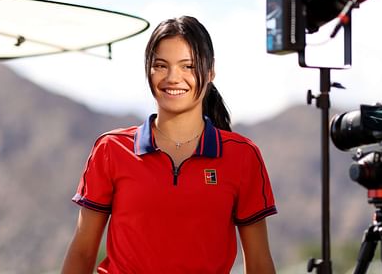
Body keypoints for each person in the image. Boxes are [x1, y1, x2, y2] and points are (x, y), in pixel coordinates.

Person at [61, 16, 277, 273]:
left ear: (210, 71)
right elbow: (82, 251)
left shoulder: (242, 155)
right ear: (148, 70)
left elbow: (260, 263)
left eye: (188, 66)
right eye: (161, 66)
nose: (173, 78)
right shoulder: (111, 148)